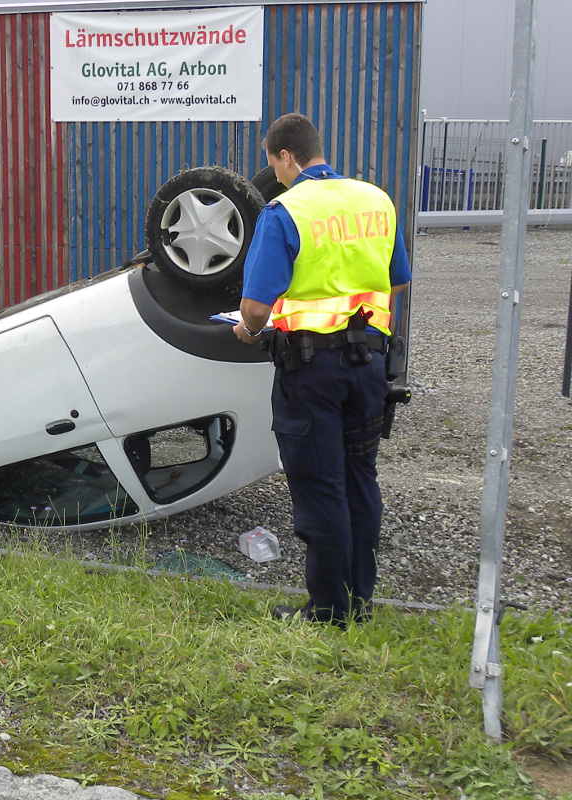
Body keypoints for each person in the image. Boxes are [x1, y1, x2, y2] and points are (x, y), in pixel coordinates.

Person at [233, 113, 412, 626]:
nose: (276, 173)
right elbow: (396, 281)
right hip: (368, 366)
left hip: (311, 371)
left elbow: (255, 309)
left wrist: (246, 329)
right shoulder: (376, 200)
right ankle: (359, 598)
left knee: (320, 484)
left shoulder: (284, 211)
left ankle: (329, 610)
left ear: (285, 155)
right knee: (360, 476)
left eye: (273, 163)